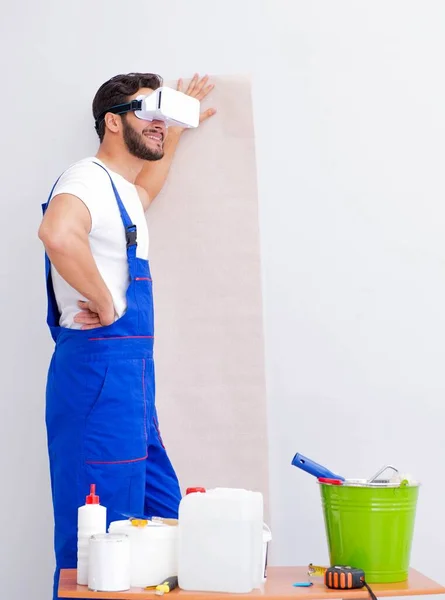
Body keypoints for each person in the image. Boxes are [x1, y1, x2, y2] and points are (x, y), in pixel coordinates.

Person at [38, 72, 215, 599]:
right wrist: (110, 304)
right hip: (98, 378)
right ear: (112, 121)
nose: (157, 125)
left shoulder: (122, 192)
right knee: (98, 547)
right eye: (147, 114)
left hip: (132, 387)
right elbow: (57, 233)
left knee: (165, 527)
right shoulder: (85, 178)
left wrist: (175, 130)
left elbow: (146, 190)